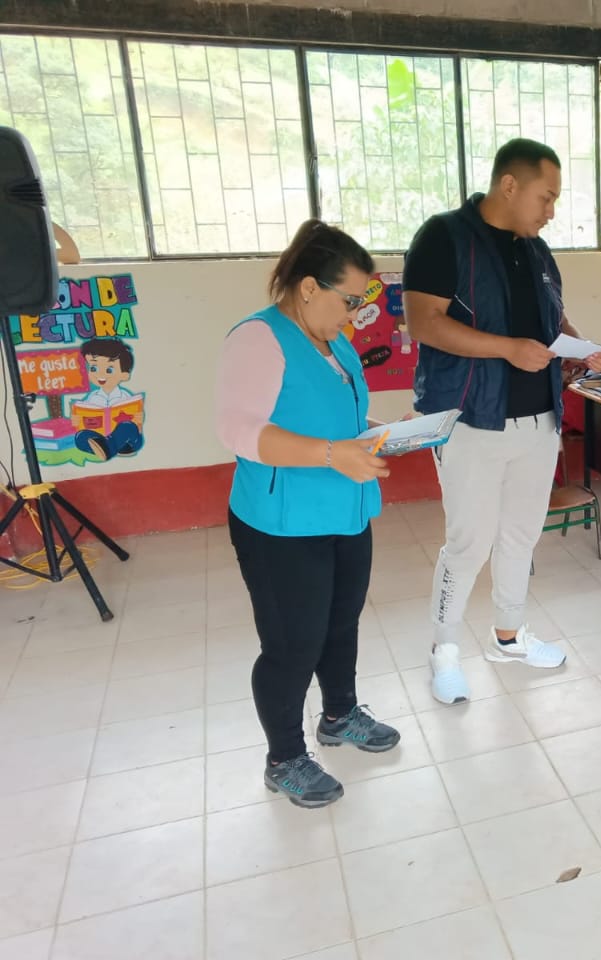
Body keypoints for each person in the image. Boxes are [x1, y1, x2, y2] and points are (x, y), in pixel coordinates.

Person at [403, 138, 601, 706]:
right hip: (470, 419)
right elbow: (424, 322)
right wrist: (507, 349)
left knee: (521, 536)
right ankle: (445, 649)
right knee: (468, 543)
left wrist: (579, 347)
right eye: (546, 197)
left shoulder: (536, 250)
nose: (551, 210)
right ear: (509, 185)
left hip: (539, 420)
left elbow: (551, 317)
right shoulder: (444, 236)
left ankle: (509, 637)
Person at [215, 220, 399, 809]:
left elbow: (337, 420)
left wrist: (383, 434)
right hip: (281, 525)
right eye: (350, 300)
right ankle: (285, 758)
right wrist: (331, 454)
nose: (355, 314)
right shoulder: (258, 339)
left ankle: (340, 715)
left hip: (345, 512)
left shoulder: (334, 341)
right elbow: (239, 431)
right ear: (309, 287)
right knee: (293, 644)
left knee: (340, 623)